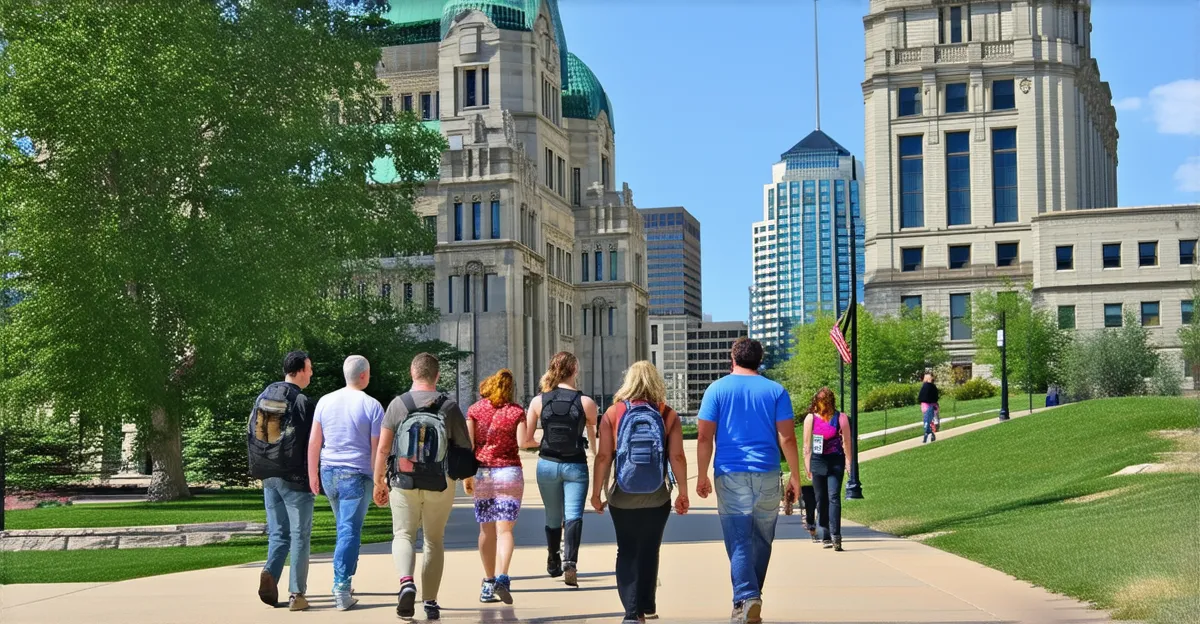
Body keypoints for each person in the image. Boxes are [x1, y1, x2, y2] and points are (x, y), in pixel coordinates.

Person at [695, 337, 802, 624]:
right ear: (760, 361)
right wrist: (795, 475)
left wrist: (702, 474)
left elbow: (704, 436)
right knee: (763, 539)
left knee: (739, 540)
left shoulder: (716, 390)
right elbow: (788, 438)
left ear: (733, 358)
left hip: (730, 473)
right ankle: (749, 598)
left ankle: (745, 597)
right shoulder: (776, 391)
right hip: (768, 472)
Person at [372, 352, 471, 621]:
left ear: (411, 373)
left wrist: (378, 481)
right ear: (436, 375)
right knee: (433, 540)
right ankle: (430, 602)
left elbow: (383, 448)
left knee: (403, 534)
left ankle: (406, 582)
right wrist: (467, 479)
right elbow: (464, 449)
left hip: (403, 481)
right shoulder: (449, 407)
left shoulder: (398, 404)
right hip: (440, 482)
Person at [590, 361, 690, 624]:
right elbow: (677, 456)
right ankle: (645, 604)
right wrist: (683, 492)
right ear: (656, 382)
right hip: (658, 496)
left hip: (622, 495)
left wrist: (596, 492)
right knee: (650, 548)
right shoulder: (668, 414)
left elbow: (603, 457)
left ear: (628, 382)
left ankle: (631, 613)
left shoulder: (613, 413)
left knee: (626, 550)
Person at [307, 355, 384, 611]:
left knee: (345, 528)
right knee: (349, 530)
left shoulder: (325, 402)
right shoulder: (372, 405)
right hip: (356, 475)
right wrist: (379, 481)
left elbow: (315, 442)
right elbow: (377, 450)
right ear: (363, 375)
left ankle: (345, 582)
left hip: (329, 472)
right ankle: (341, 587)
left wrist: (313, 474)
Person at [522, 351, 598, 587]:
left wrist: (540, 444)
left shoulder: (538, 401)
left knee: (552, 515)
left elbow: (525, 440)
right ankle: (570, 562)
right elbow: (595, 442)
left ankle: (553, 558)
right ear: (575, 370)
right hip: (575, 465)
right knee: (574, 514)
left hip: (547, 464)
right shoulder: (586, 403)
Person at [250, 351, 316, 611]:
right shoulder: (301, 401)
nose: (311, 373)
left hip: (269, 475)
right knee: (300, 535)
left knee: (279, 533)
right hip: (295, 478)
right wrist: (314, 476)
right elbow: (313, 443)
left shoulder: (265, 396)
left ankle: (270, 572)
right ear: (299, 370)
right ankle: (297, 594)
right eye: (309, 369)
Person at [465, 369, 527, 605]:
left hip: (484, 473)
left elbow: (469, 446)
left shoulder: (474, 410)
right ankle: (503, 575)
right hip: (510, 472)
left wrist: (467, 476)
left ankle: (488, 582)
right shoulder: (516, 412)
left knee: (486, 531)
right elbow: (523, 443)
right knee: (506, 531)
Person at [802, 387, 855, 551]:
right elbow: (806, 445)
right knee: (821, 499)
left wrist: (848, 462)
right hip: (818, 462)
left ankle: (836, 535)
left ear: (830, 402)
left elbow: (846, 442)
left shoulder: (841, 418)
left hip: (835, 461)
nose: (821, 405)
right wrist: (808, 465)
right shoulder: (811, 419)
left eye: (824, 401)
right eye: (819, 401)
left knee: (834, 497)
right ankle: (824, 533)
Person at [918, 372, 940, 443]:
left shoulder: (926, 386)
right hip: (931, 405)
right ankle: (933, 427)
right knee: (932, 418)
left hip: (927, 405)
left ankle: (930, 429)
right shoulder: (931, 387)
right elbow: (935, 397)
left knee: (929, 418)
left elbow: (921, 397)